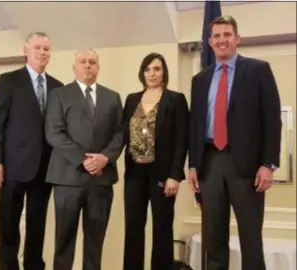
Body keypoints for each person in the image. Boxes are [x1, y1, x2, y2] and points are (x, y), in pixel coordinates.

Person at [188, 15, 281, 270]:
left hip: (248, 167)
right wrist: (193, 164)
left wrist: (268, 164)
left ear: (237, 38)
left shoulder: (258, 70)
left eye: (227, 34)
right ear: (209, 42)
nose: (222, 40)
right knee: (213, 240)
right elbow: (195, 125)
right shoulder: (200, 80)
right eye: (216, 36)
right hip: (210, 164)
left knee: (250, 240)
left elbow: (272, 120)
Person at [0, 32, 63, 270]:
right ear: (25, 49)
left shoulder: (58, 87)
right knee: (8, 227)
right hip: (12, 168)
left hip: (45, 169)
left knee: (37, 228)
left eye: (47, 49)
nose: (42, 53)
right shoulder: (8, 80)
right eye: (37, 47)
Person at [45, 49, 124, 270]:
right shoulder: (59, 95)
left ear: (98, 68)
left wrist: (105, 158)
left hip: (101, 180)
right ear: (75, 68)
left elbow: (120, 133)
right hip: (67, 178)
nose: (87, 65)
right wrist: (84, 160)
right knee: (64, 240)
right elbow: (54, 132)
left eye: (92, 62)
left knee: (95, 242)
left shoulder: (112, 97)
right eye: (83, 62)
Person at [122, 53, 189, 270]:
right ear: (142, 73)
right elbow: (121, 135)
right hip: (134, 174)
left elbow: (182, 140)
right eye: (148, 69)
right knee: (133, 228)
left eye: (157, 69)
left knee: (161, 228)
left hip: (163, 174)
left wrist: (175, 175)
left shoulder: (175, 99)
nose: (152, 73)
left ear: (164, 72)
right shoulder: (132, 99)